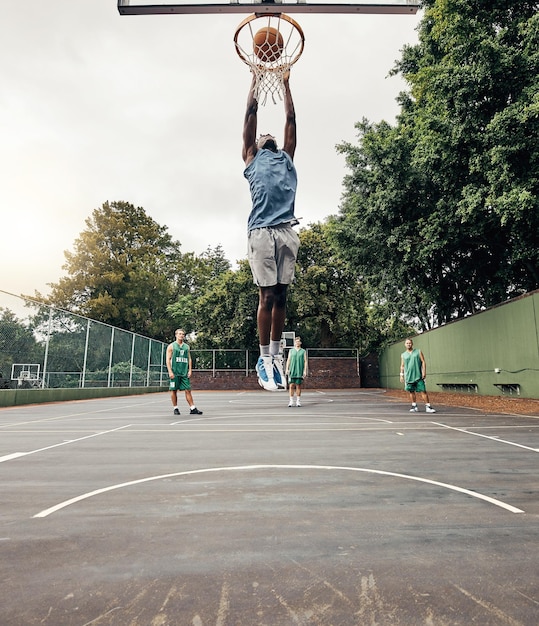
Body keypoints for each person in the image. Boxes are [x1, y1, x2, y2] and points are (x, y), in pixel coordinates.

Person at [242, 69, 300, 391]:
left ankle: (276, 354)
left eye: (270, 134)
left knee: (281, 296)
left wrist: (286, 82)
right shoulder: (252, 157)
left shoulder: (287, 157)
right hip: (262, 231)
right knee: (266, 295)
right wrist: (255, 78)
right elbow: (250, 115)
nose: (267, 134)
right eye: (262, 135)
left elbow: (291, 120)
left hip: (286, 231)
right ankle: (264, 359)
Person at [166, 329, 203, 416]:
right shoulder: (171, 346)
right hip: (175, 372)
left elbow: (189, 358)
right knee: (173, 390)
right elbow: (167, 360)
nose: (181, 335)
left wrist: (190, 370)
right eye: (179, 334)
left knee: (188, 390)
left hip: (184, 372)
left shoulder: (186, 347)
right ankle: (175, 408)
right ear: (176, 335)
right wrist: (170, 371)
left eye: (183, 334)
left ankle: (192, 408)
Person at [400, 338, 436, 413]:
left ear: (412, 344)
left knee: (423, 391)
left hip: (418, 375)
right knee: (411, 391)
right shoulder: (403, 355)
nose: (408, 344)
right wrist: (401, 375)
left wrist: (424, 372)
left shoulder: (418, 352)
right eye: (407, 343)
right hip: (409, 377)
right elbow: (402, 365)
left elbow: (423, 361)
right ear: (405, 344)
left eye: (410, 343)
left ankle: (428, 406)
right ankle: (414, 406)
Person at [285, 336, 308, 407]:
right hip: (292, 370)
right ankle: (291, 401)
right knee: (291, 385)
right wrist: (287, 369)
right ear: (294, 343)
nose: (297, 343)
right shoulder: (291, 351)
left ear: (300, 343)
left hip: (299, 370)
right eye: (296, 341)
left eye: (298, 341)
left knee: (298, 386)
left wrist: (304, 370)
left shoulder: (303, 351)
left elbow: (305, 361)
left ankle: (298, 401)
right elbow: (288, 360)